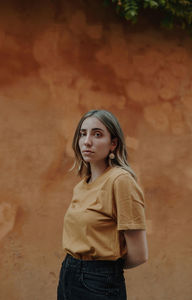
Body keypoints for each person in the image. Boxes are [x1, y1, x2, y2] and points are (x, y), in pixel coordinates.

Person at [57, 109, 148, 300]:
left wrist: (102, 270)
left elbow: (139, 254)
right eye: (83, 134)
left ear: (113, 144)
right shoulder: (82, 185)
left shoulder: (120, 181)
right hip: (68, 274)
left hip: (98, 282)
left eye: (97, 134)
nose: (87, 141)